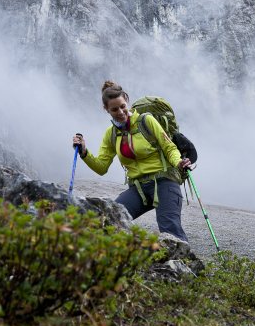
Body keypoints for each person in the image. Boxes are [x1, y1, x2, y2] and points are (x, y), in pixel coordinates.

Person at [73, 80, 192, 241]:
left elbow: (169, 147)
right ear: (106, 110)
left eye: (123, 106)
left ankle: (184, 264)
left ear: (127, 101)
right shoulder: (111, 134)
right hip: (138, 189)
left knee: (170, 231)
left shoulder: (146, 121)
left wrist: (179, 162)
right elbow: (101, 167)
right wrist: (84, 152)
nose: (121, 112)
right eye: (114, 109)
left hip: (165, 182)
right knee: (110, 221)